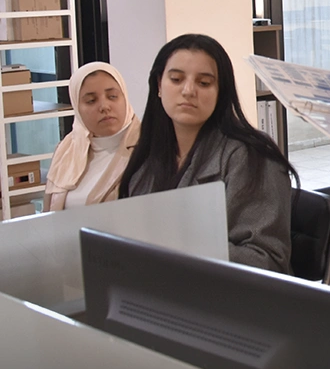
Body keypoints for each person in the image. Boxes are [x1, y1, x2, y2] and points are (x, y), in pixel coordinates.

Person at [119, 34, 296, 274]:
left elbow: (267, 262)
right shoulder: (150, 153)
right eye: (176, 79)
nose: (188, 91)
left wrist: (181, 247)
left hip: (221, 293)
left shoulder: (251, 157)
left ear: (220, 92)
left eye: (204, 83)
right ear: (159, 86)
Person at [44, 62, 140, 211]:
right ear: (77, 108)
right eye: (91, 101)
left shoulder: (147, 147)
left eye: (112, 96)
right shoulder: (66, 149)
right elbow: (48, 212)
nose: (104, 106)